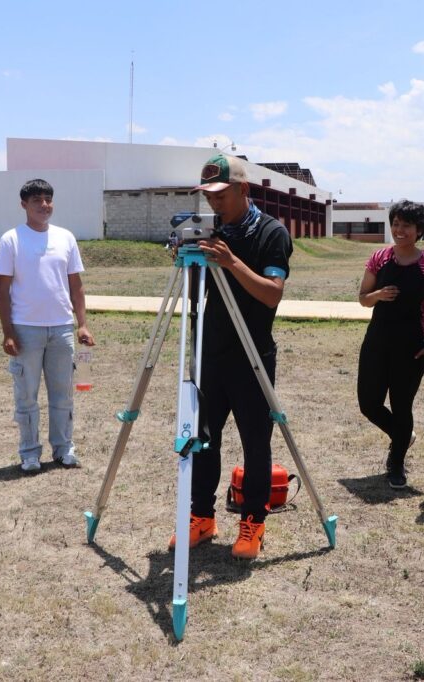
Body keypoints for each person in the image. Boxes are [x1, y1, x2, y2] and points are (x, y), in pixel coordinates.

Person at [169, 153, 293, 561]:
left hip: (252, 352)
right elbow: (195, 296)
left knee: (255, 441)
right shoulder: (210, 231)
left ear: (243, 189)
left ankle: (253, 520)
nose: (213, 203)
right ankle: (201, 516)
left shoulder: (272, 233)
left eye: (220, 194)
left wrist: (231, 261)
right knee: (203, 438)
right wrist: (188, 263)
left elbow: (272, 294)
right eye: (208, 195)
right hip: (211, 349)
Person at [0, 178, 95, 473]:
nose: (44, 205)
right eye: (36, 200)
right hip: (25, 329)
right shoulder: (11, 239)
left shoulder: (66, 238)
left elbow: (76, 285)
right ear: (24, 204)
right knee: (26, 396)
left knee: (63, 395)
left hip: (62, 328)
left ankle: (64, 449)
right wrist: (8, 332)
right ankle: (29, 453)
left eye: (48, 199)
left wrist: (82, 324)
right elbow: (2, 289)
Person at [358, 200, 424, 490]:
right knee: (369, 403)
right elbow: (363, 298)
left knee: (401, 405)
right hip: (377, 341)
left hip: (412, 347)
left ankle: (396, 464)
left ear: (419, 230)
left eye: (406, 225)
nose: (399, 230)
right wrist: (378, 295)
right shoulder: (380, 257)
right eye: (395, 223)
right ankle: (403, 436)